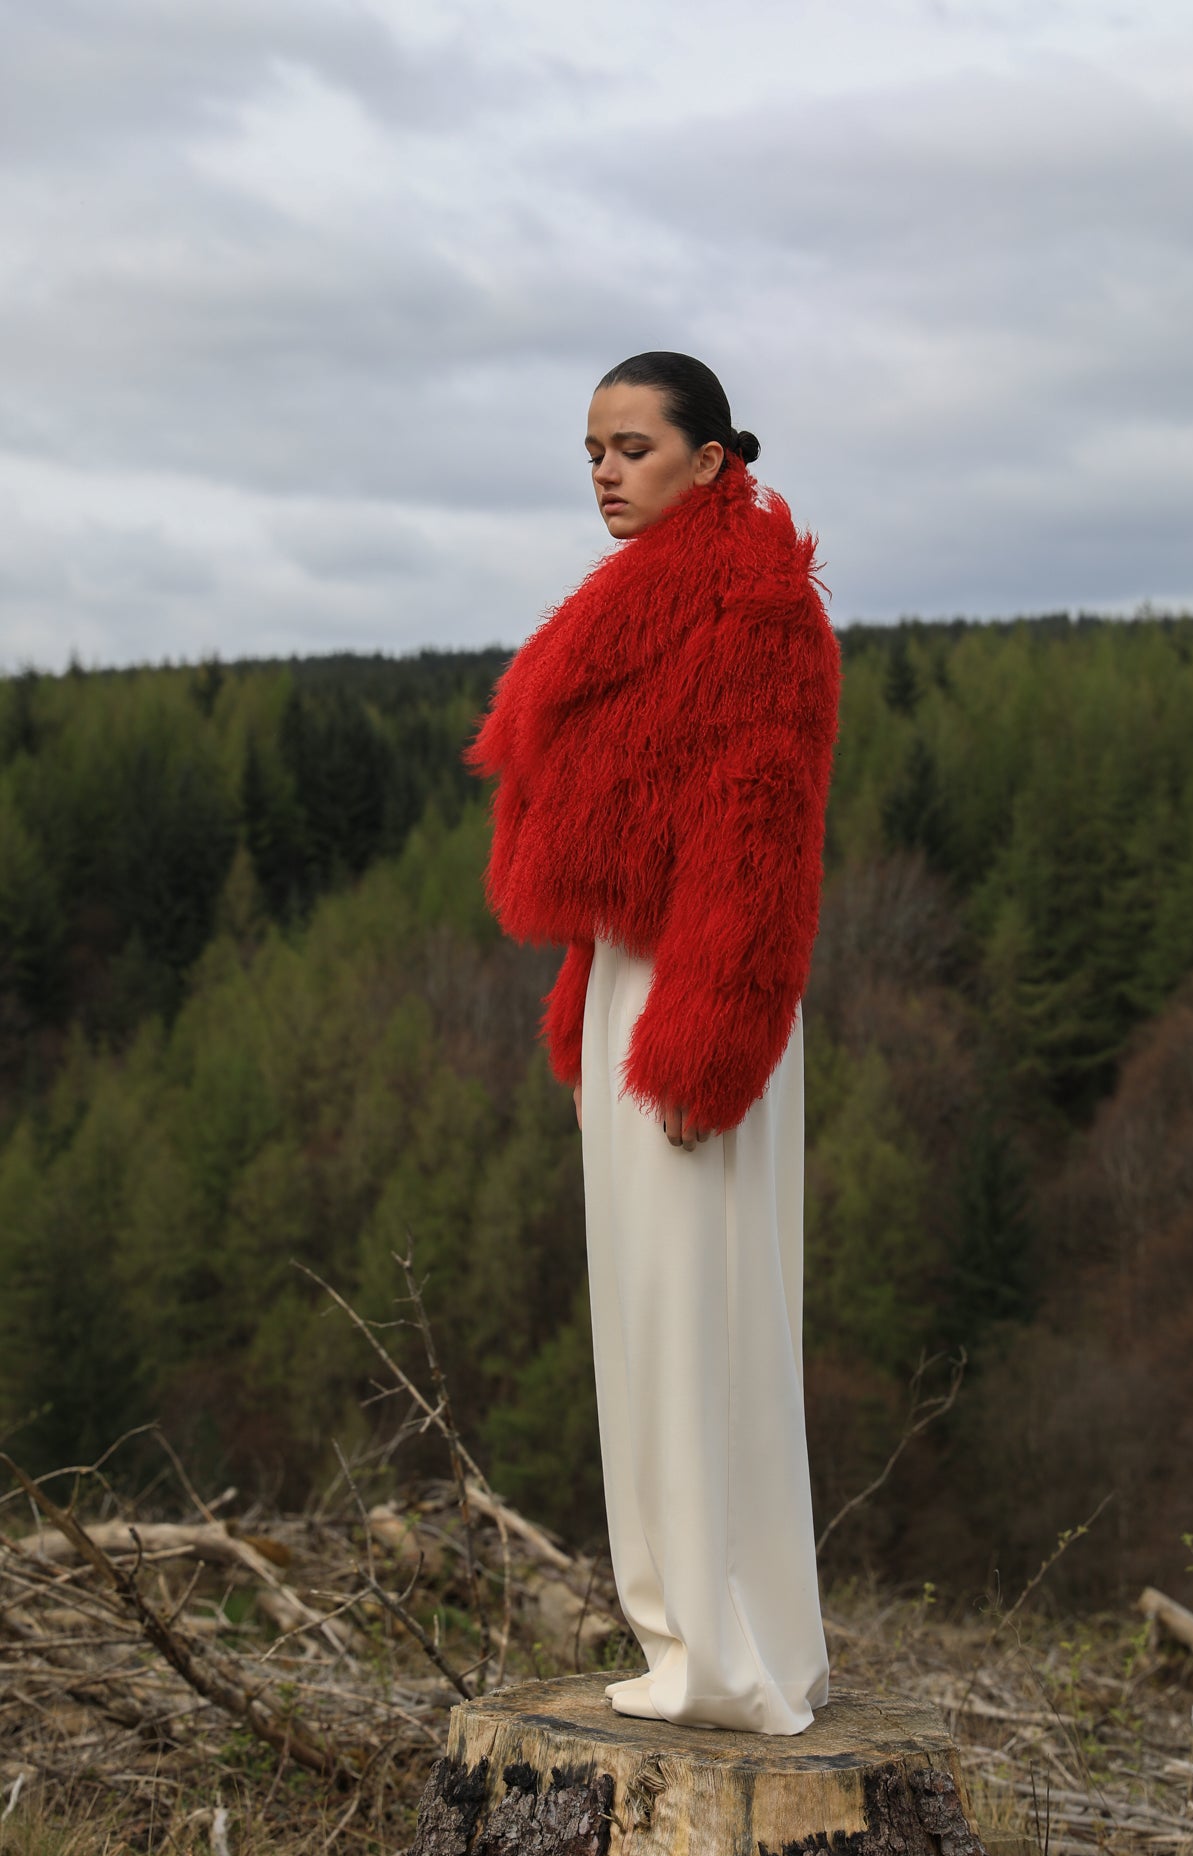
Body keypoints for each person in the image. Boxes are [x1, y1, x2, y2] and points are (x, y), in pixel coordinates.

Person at [463, 351, 841, 1735]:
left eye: (632, 447)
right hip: (634, 978)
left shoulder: (757, 611)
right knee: (645, 1318)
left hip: (702, 994)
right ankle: (695, 1634)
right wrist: (594, 987)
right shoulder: (643, 602)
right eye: (592, 451)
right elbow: (632, 832)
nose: (607, 474)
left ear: (709, 458)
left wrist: (703, 1042)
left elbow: (755, 843)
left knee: (701, 1314)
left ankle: (727, 1655)